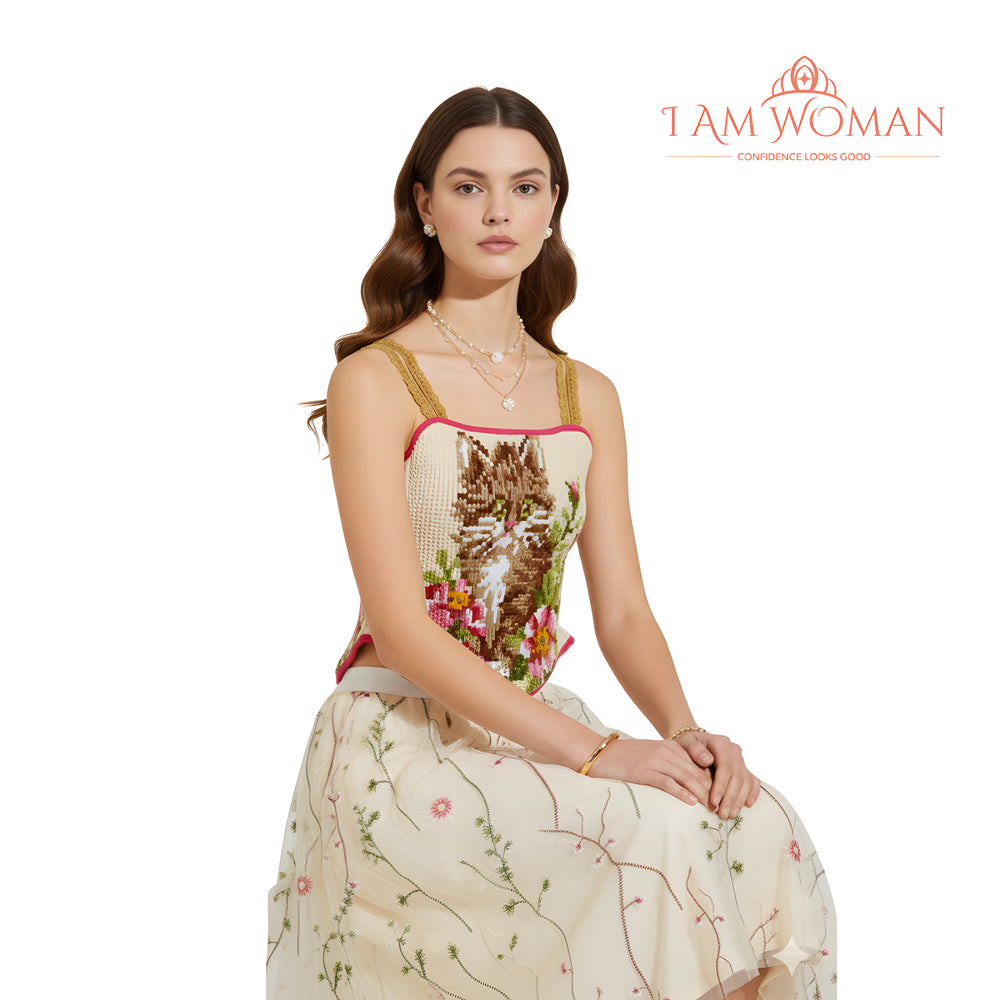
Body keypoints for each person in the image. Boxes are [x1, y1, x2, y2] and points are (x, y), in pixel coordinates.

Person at [266, 86, 836, 1000]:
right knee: (659, 839)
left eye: (525, 187)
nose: (499, 211)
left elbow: (624, 612)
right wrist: (601, 753)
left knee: (753, 822)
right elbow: (403, 631)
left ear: (553, 205)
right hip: (402, 743)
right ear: (425, 204)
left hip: (532, 728)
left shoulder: (587, 393)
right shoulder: (375, 380)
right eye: (469, 186)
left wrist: (686, 736)